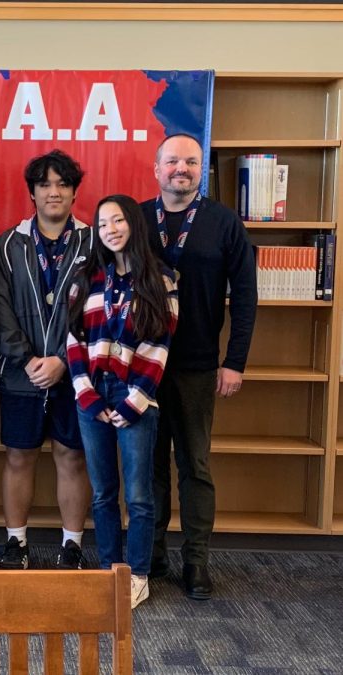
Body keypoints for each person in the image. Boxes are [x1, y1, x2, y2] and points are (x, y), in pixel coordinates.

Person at [142, 134, 257, 600]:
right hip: (142, 364)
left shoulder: (224, 222)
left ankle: (196, 562)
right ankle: (150, 556)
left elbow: (245, 297)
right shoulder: (136, 220)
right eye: (172, 161)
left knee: (195, 466)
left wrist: (235, 362)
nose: (181, 169)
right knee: (147, 467)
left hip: (195, 365)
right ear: (157, 168)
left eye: (190, 162)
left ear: (200, 170)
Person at [66, 194, 178, 609]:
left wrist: (133, 402)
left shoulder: (161, 280)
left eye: (117, 221)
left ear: (133, 223)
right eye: (102, 224)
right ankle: (110, 569)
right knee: (102, 492)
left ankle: (137, 574)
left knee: (139, 495)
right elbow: (73, 339)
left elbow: (159, 345)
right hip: (91, 396)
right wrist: (88, 396)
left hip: (137, 396)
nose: (110, 229)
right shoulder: (86, 277)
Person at [0, 150, 93, 570]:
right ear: (32, 192)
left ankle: (72, 545)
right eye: (45, 185)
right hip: (21, 374)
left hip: (76, 375)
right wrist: (30, 359)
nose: (54, 192)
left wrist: (62, 362)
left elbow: (99, 312)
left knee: (72, 456)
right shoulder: (8, 244)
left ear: (73, 192)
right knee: (19, 456)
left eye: (63, 184)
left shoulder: (95, 242)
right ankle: (16, 543)